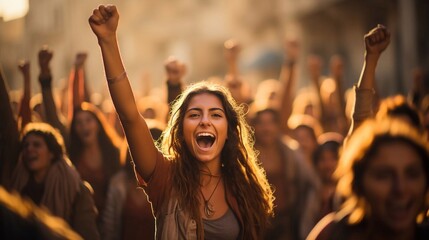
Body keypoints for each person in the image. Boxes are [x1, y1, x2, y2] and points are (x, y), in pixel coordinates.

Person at [89, 5, 274, 239]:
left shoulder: (242, 186)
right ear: (180, 130)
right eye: (195, 114)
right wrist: (108, 41)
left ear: (228, 131)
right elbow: (130, 117)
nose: (205, 121)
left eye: (215, 115)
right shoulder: (165, 177)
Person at [307, 118, 429, 240]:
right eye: (384, 176)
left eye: (412, 174)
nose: (400, 188)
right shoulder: (331, 235)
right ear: (358, 183)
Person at [10, 122, 99, 240]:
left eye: (36, 145)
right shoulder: (17, 186)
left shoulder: (76, 189)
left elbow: (87, 235)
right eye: (25, 146)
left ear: (51, 153)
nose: (29, 149)